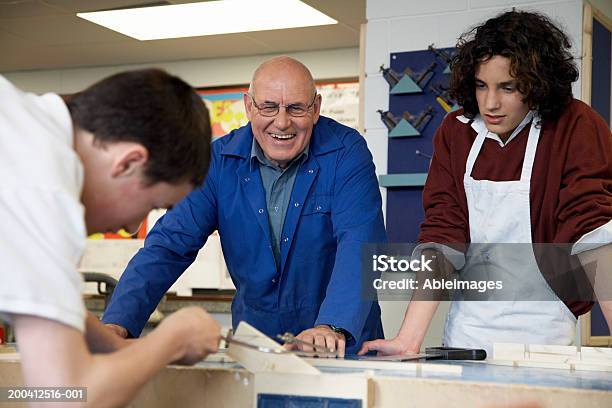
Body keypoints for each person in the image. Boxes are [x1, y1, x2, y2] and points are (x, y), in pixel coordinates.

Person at [360, 10, 612, 356]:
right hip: (467, 335)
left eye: (507, 88)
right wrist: (408, 338)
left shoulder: (575, 125)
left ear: (536, 85)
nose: (490, 103)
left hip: (548, 337)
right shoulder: (456, 131)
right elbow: (442, 234)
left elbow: (594, 233)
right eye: (481, 86)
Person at [102, 56, 386, 357]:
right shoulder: (219, 162)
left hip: (340, 343)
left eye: (296, 108)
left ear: (315, 109)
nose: (281, 122)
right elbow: (169, 245)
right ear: (248, 106)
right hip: (259, 345)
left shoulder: (346, 152)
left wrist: (331, 326)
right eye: (268, 107)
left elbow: (361, 242)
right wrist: (117, 323)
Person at [0, 69, 221, 406]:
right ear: (128, 162)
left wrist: (113, 345)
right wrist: (173, 339)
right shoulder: (45, 188)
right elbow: (65, 398)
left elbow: (41, 291)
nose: (133, 227)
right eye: (151, 205)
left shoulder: (21, 126)